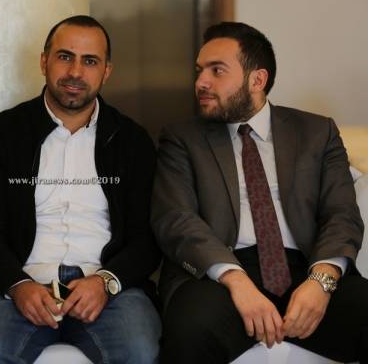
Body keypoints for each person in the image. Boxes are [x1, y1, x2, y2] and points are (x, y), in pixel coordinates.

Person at [151, 21, 368, 363]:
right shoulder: (182, 139)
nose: (201, 82)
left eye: (216, 70)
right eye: (199, 70)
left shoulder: (316, 132)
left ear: (257, 80)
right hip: (221, 274)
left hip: (307, 266)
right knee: (190, 329)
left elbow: (342, 214)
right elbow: (176, 219)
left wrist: (321, 281)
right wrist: (237, 281)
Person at [0, 15, 161, 364]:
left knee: (139, 352)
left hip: (108, 289)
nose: (75, 72)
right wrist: (17, 284)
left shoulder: (132, 141)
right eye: (65, 57)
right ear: (44, 62)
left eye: (90, 61)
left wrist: (106, 281)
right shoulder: (2, 133)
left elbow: (148, 237)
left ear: (106, 71)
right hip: (20, 285)